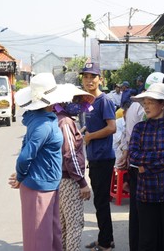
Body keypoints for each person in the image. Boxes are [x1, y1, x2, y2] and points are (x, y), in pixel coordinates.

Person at [9, 72, 69, 251]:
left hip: (48, 184)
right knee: (39, 239)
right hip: (38, 186)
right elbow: (25, 156)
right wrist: (20, 176)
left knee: (51, 234)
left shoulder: (43, 120)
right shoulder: (42, 124)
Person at [129, 83, 164, 251]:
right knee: (147, 241)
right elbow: (133, 156)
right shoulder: (139, 128)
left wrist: (147, 168)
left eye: (150, 102)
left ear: (163, 104)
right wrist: (163, 154)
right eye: (144, 102)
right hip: (146, 195)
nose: (146, 106)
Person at [118, 72, 164, 251]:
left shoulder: (134, 109)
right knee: (142, 213)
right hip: (140, 169)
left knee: (140, 214)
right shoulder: (140, 111)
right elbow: (133, 144)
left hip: (142, 167)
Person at [80, 63, 117, 251]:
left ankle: (105, 242)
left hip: (103, 158)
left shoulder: (105, 100)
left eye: (92, 77)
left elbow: (112, 127)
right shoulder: (87, 102)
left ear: (100, 79)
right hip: (94, 157)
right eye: (85, 77)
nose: (88, 80)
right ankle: (105, 238)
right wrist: (84, 132)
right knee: (99, 201)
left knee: (101, 201)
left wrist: (90, 136)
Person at [54, 84, 94, 251]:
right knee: (75, 225)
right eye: (75, 100)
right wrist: (82, 183)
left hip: (61, 180)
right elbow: (70, 155)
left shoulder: (60, 119)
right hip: (70, 181)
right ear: (64, 101)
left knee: (64, 225)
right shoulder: (65, 122)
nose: (78, 104)